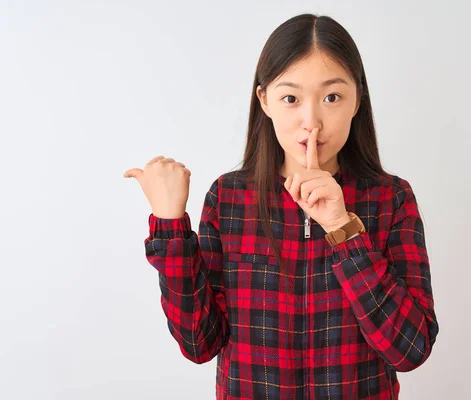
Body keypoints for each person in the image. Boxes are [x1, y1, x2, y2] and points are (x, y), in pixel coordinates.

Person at [124, 13, 439, 400]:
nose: (312, 121)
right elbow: (199, 344)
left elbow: (410, 349)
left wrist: (344, 229)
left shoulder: (390, 198)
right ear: (264, 100)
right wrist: (170, 225)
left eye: (332, 97)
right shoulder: (228, 199)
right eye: (291, 98)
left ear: (358, 98)